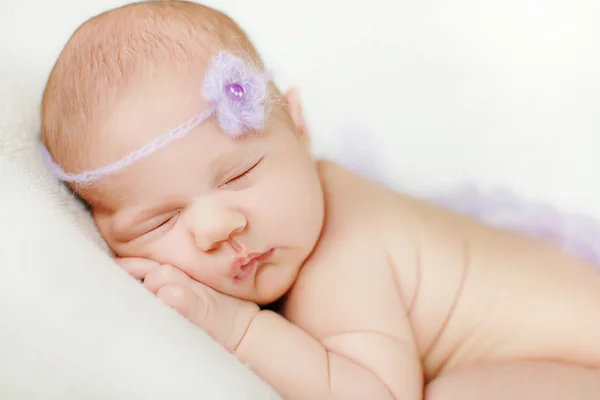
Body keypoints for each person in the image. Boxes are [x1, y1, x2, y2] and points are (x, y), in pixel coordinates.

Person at [40, 1, 600, 399]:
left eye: (240, 174)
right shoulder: (304, 214)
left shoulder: (341, 258)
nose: (218, 226)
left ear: (300, 126)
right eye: (159, 221)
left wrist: (238, 328)